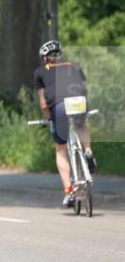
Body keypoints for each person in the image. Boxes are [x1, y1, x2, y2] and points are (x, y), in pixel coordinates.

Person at [33, 40, 96, 208]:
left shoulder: (40, 72)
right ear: (60, 55)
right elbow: (84, 89)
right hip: (79, 102)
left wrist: (48, 118)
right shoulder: (75, 65)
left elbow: (44, 104)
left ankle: (69, 191)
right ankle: (88, 151)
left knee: (61, 149)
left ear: (45, 59)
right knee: (81, 125)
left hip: (59, 108)